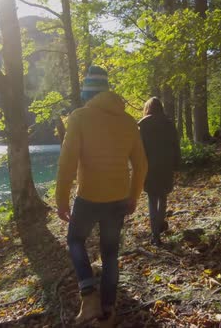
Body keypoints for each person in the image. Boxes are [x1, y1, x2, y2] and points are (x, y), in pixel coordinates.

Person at [55, 65, 148, 327]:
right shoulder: (129, 121)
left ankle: (88, 295)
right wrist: (134, 197)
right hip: (118, 199)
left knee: (74, 240)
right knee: (109, 254)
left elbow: (67, 163)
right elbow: (141, 165)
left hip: (88, 199)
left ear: (87, 93)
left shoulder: (79, 117)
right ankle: (107, 312)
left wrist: (61, 199)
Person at [138, 97, 181, 246]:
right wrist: (177, 165)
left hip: (148, 166)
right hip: (166, 165)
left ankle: (155, 234)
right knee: (162, 198)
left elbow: (138, 149)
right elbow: (175, 144)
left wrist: (137, 167)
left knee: (152, 199)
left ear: (147, 108)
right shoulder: (168, 123)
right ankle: (158, 228)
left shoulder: (142, 125)